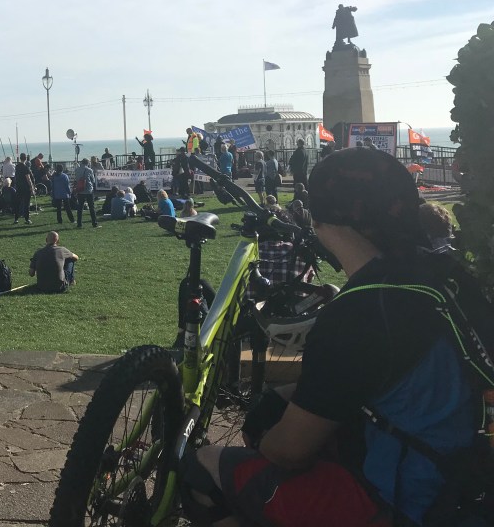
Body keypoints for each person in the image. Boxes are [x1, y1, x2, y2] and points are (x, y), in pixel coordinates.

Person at [180, 147, 479, 527]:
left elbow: (289, 452)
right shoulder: (445, 273)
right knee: (277, 406)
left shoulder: (360, 311)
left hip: (412, 501)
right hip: (465, 468)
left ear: (322, 222)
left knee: (204, 465)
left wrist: (267, 440)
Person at [75, 159, 99, 228]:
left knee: (80, 208)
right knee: (91, 207)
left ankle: (79, 224)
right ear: (87, 163)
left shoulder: (77, 170)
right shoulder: (89, 170)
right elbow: (93, 180)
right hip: (88, 190)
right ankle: (94, 223)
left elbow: (76, 179)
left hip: (80, 190)